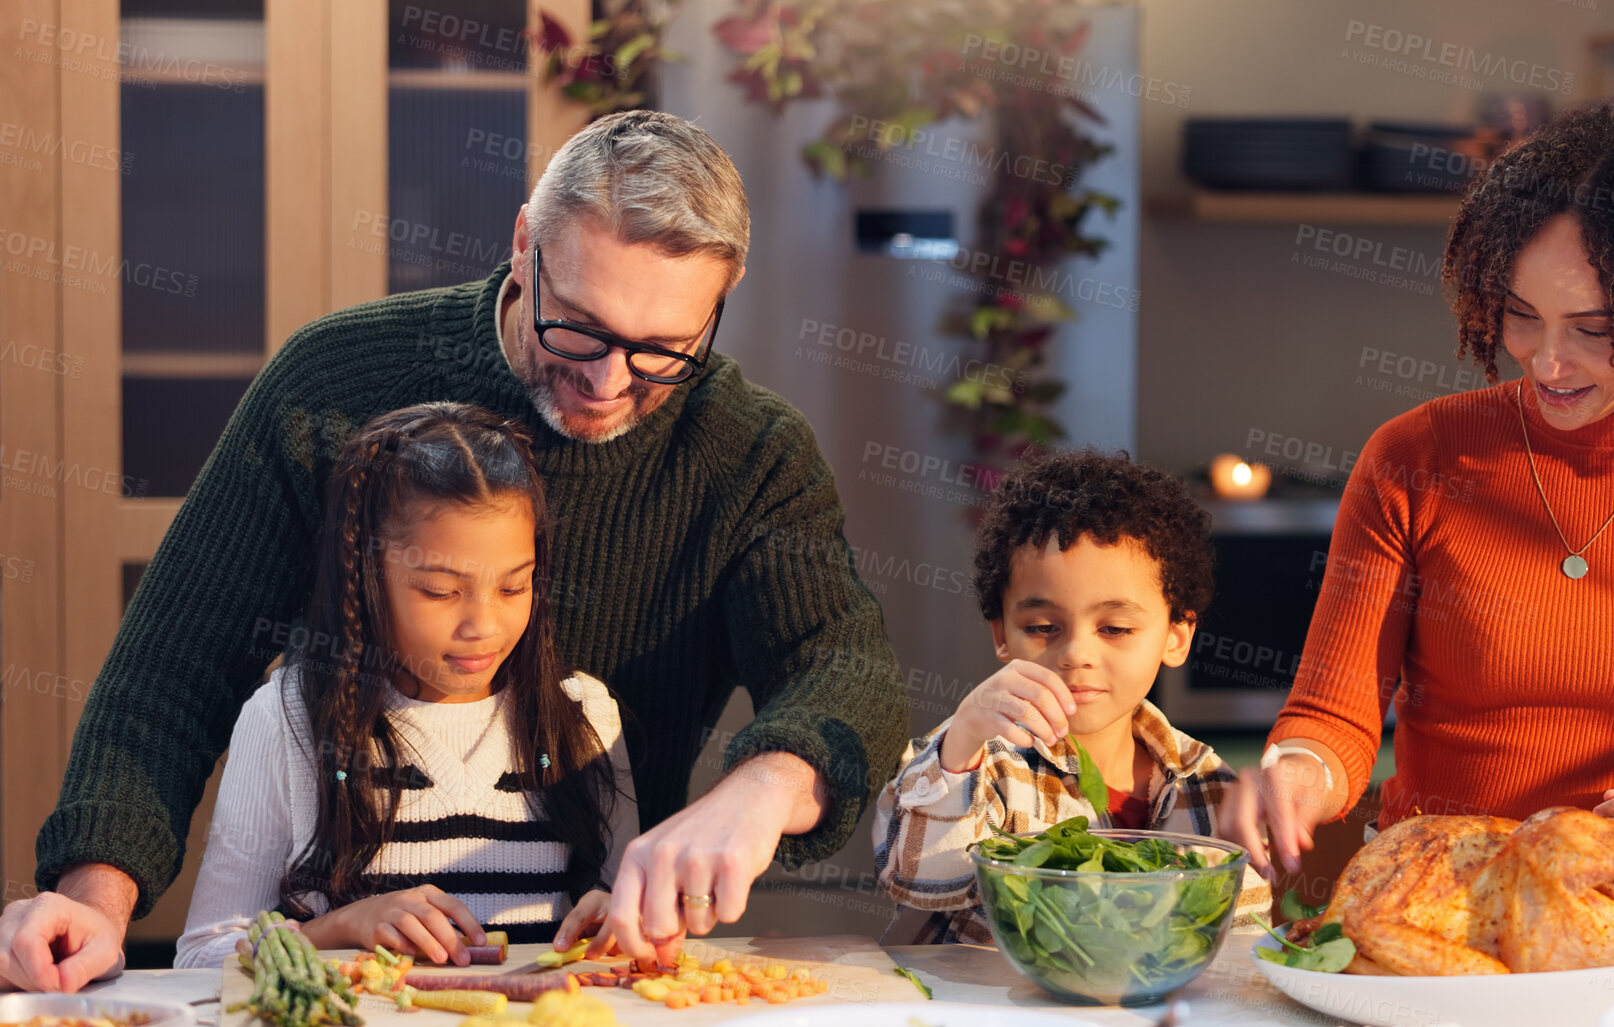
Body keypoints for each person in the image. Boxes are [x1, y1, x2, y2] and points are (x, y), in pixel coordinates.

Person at [1, 110, 905, 992]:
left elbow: (843, 667)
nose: (606, 380)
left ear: (724, 294)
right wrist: (93, 896)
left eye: (665, 350)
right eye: (579, 328)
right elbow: (174, 668)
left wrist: (766, 785)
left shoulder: (752, 453)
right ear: (523, 245)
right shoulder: (331, 381)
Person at [1221, 102, 1614, 883]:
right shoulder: (1412, 457)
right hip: (1433, 893)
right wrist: (1295, 772)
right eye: (1521, 317)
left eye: (1594, 329)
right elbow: (1333, 718)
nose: (1547, 361)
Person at [174, 403, 634, 968]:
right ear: (366, 580)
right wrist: (338, 929)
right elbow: (203, 956)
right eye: (441, 592)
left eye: (514, 588)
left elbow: (628, 917)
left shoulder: (582, 714)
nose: (483, 627)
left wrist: (618, 918)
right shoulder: (290, 719)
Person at [874, 450, 1272, 943]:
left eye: (1116, 627)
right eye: (1043, 627)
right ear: (1002, 634)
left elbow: (1240, 945)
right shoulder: (977, 761)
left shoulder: (1210, 785)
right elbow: (918, 880)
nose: (1076, 653)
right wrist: (965, 736)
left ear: (1176, 636)